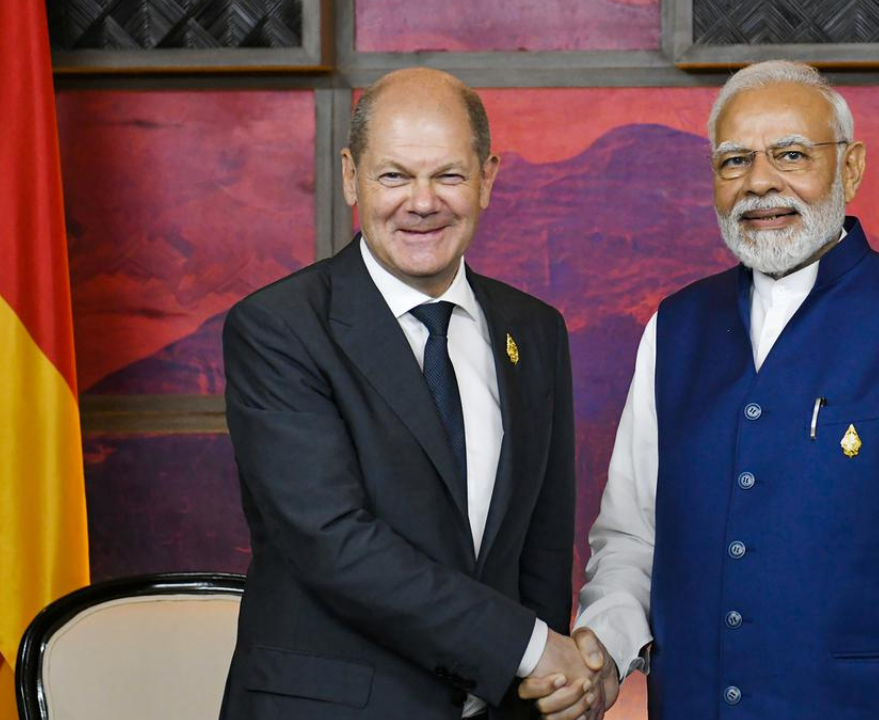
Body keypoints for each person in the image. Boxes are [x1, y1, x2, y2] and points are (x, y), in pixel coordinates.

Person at [522, 60, 879, 720]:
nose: (760, 183)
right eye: (733, 162)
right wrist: (603, 651)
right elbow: (632, 540)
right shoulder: (676, 327)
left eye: (791, 154)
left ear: (852, 167)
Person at [219, 68, 600, 720]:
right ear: (350, 177)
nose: (422, 202)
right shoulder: (279, 328)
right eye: (394, 175)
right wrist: (533, 650)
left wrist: (549, 691)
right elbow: (333, 542)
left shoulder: (533, 331)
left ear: (488, 178)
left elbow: (540, 546)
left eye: (449, 176)